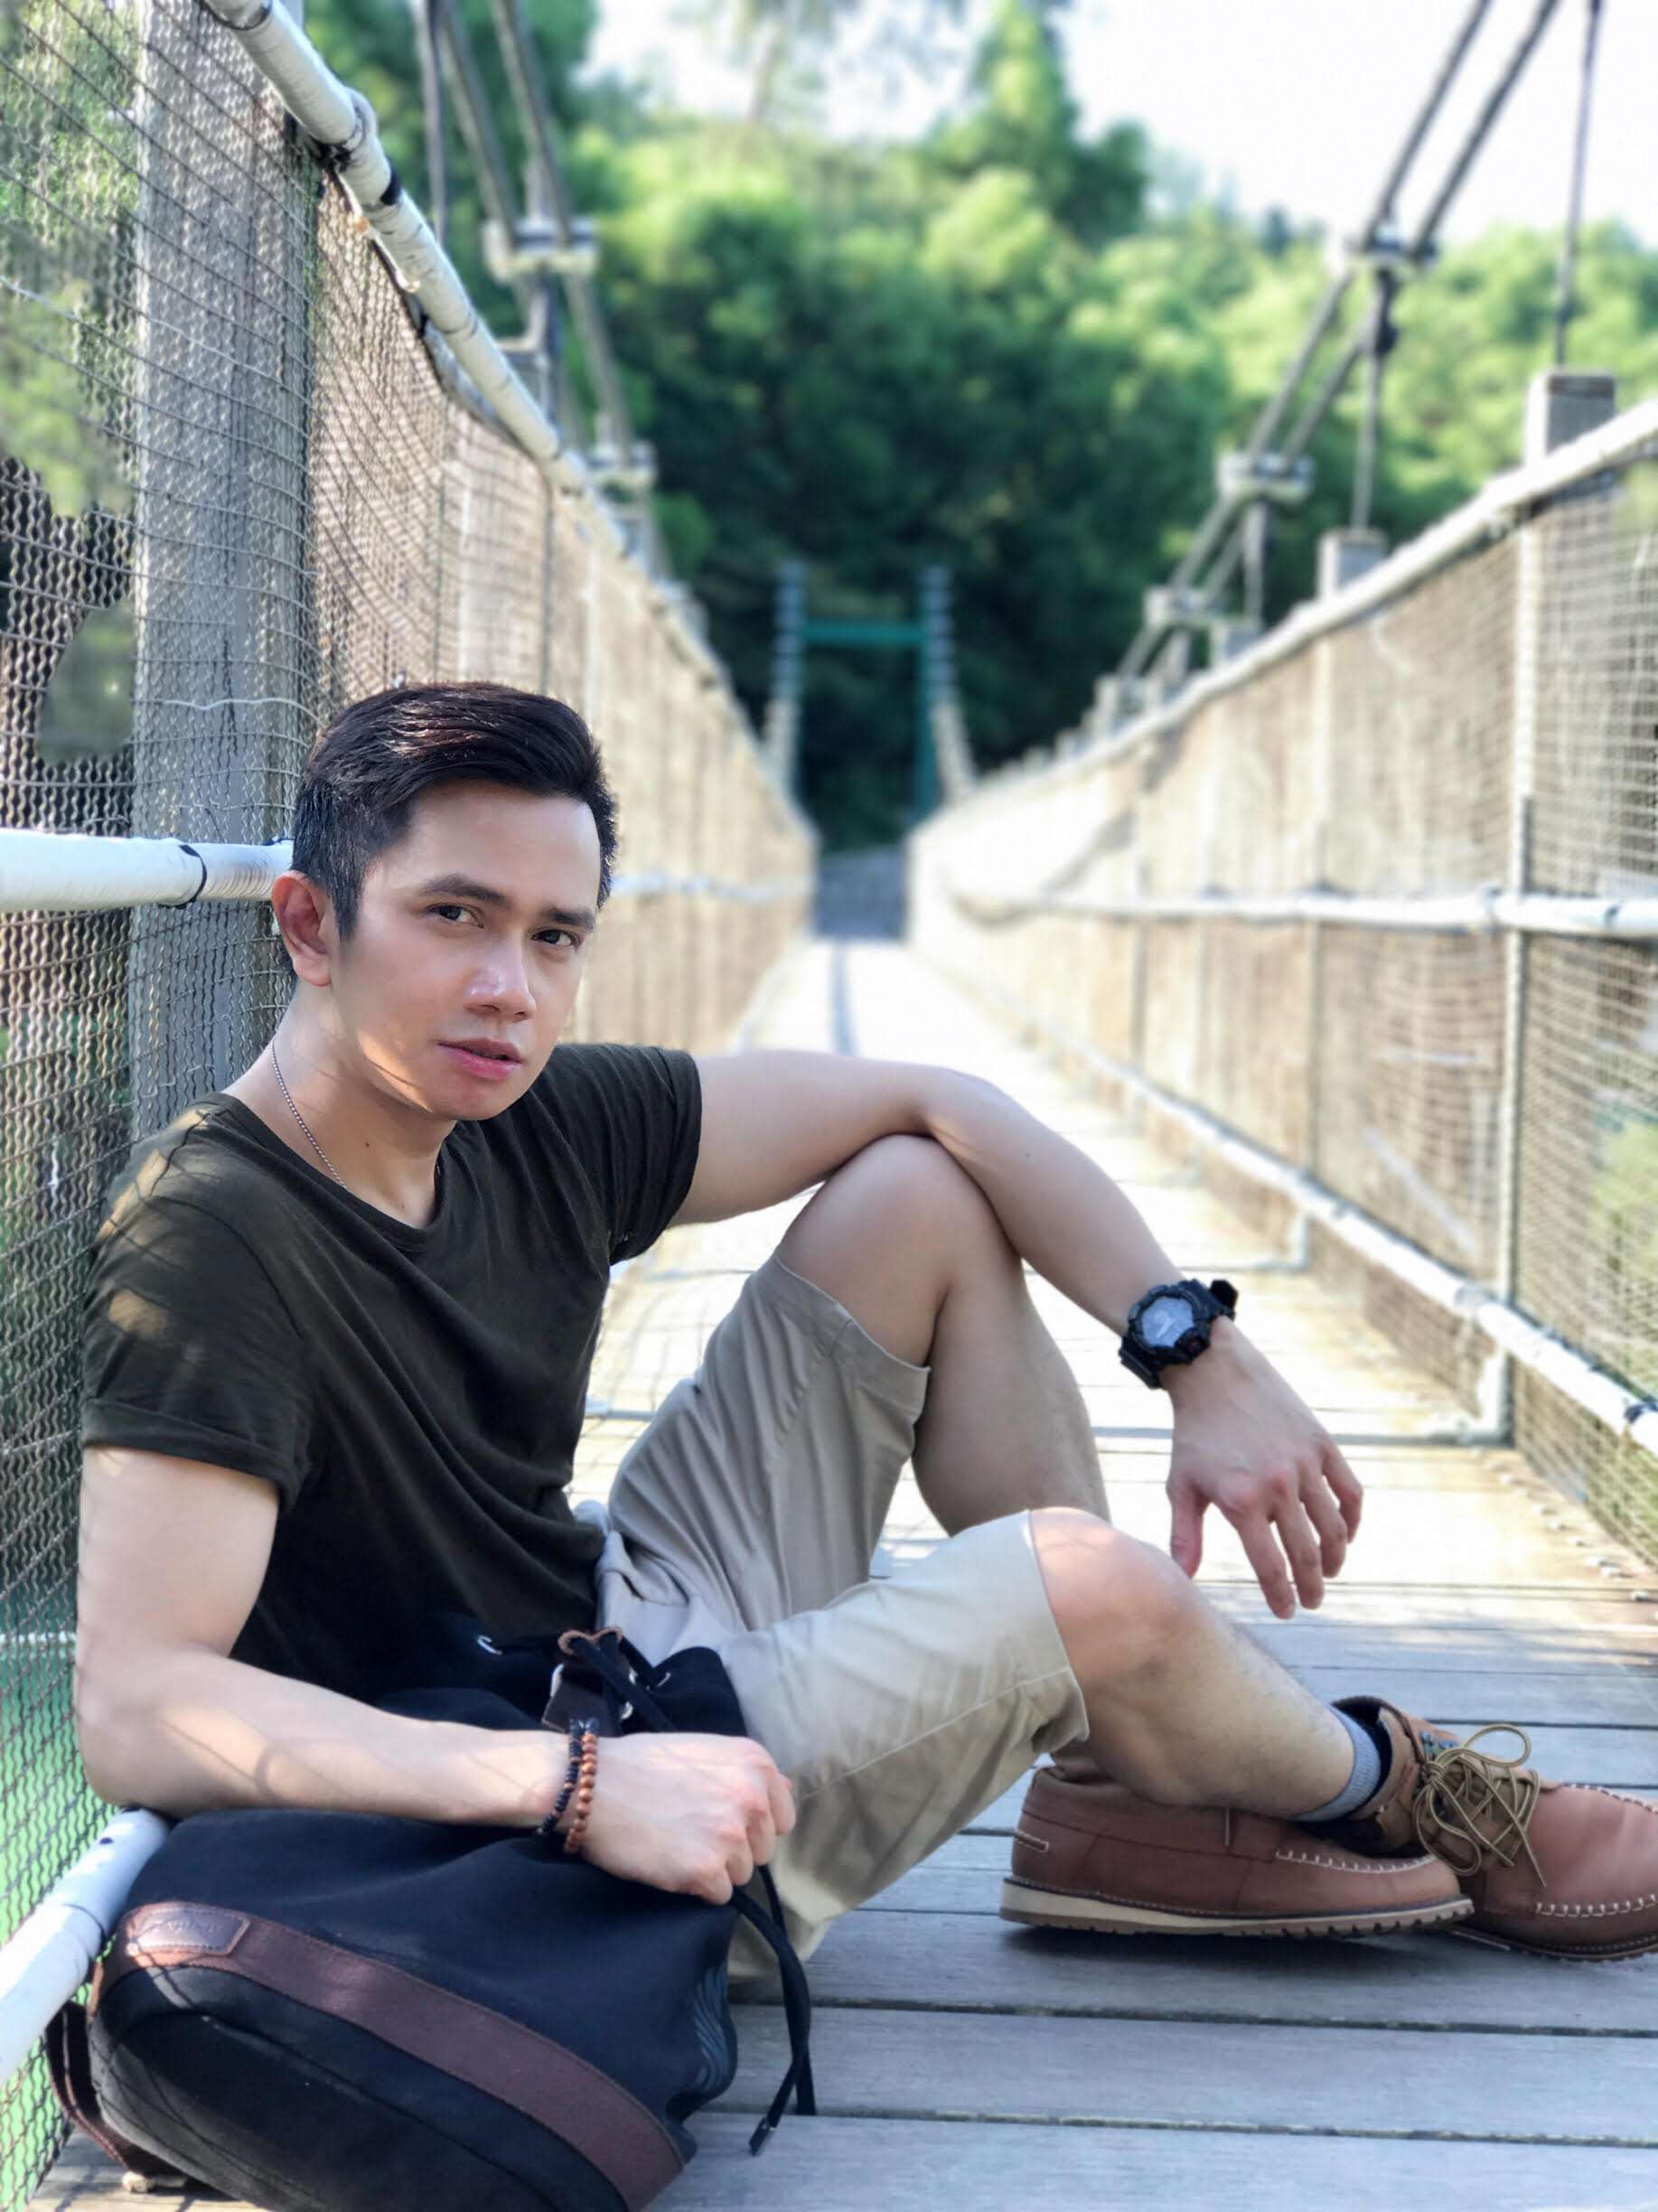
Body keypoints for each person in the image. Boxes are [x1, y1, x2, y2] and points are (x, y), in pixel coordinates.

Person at [77, 682, 1658, 1972]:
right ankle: (1418, 1802)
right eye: (456, 917)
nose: (512, 987)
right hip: (524, 1805)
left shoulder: (523, 1112)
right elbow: (137, 1703)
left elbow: (939, 1100)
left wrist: (1200, 1352)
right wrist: (573, 1788)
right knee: (1087, 1584)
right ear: (307, 922)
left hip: (603, 1626)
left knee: (915, 1190)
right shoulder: (215, 1232)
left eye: (557, 935)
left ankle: (1123, 1774)